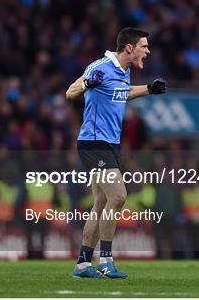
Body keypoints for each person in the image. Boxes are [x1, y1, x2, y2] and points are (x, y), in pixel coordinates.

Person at [65, 27, 167, 278]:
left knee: (100, 203)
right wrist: (89, 82)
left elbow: (124, 93)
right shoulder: (99, 67)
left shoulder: (125, 71)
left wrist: (148, 90)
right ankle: (106, 260)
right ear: (130, 48)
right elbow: (71, 92)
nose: (148, 51)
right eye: (144, 46)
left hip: (110, 144)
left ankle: (83, 263)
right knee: (119, 196)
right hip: (93, 142)